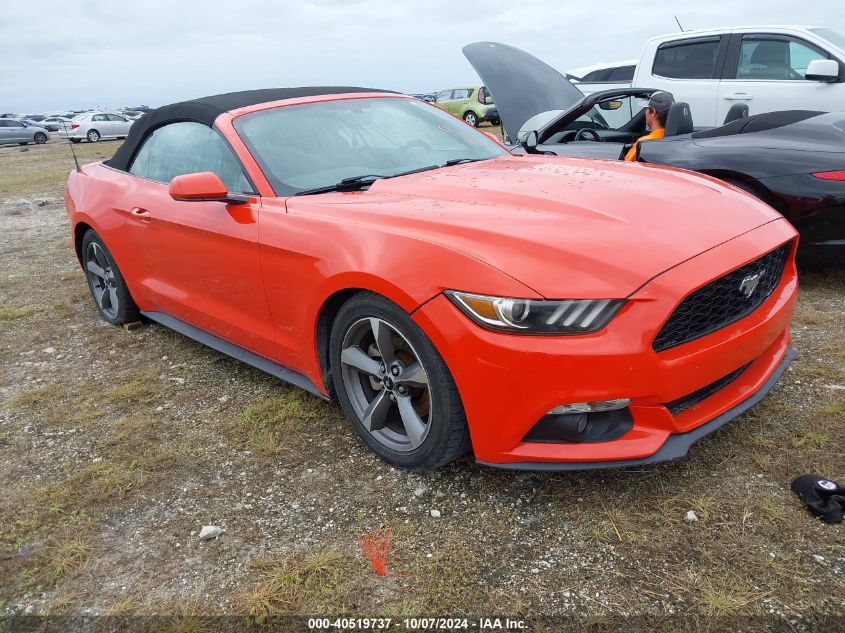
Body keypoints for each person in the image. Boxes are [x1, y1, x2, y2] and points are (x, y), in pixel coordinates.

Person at [623, 91, 674, 161]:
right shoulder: (678, 139)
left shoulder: (643, 143)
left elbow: (625, 166)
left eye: (647, 108)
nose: (645, 112)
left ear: (653, 112)